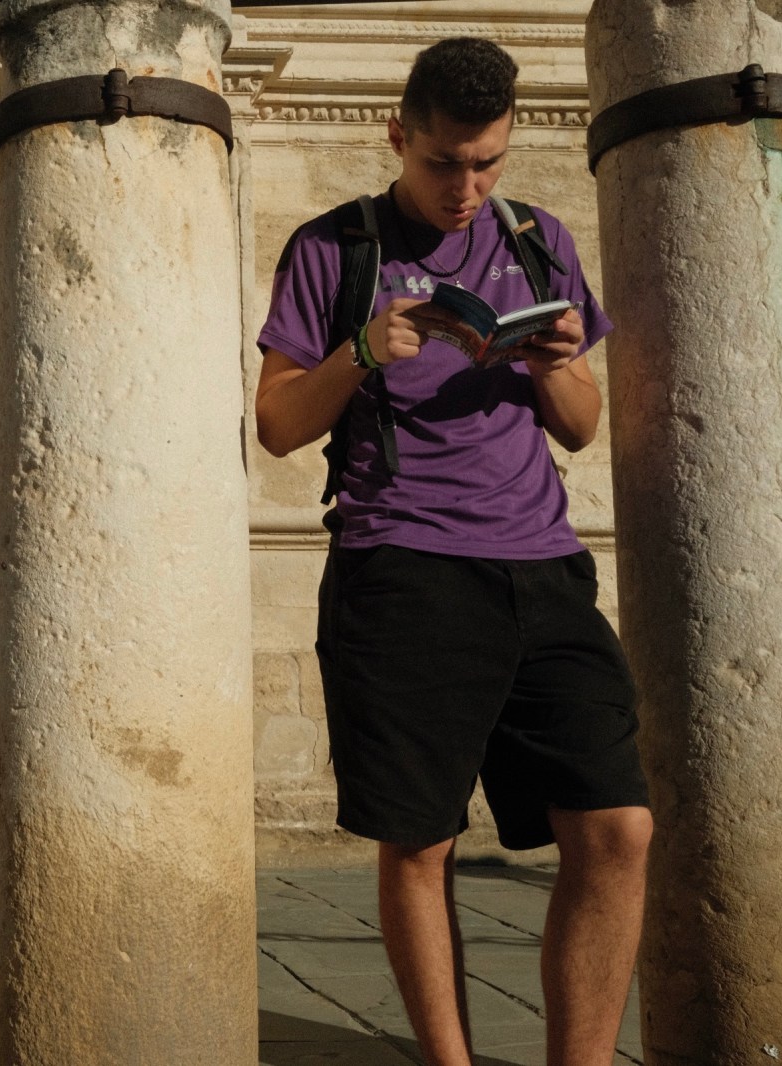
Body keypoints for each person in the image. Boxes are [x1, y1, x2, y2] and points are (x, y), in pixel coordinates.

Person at [253, 38, 652, 1066]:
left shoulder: (538, 240)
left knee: (618, 829)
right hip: (402, 569)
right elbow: (278, 425)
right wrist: (360, 351)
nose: (466, 188)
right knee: (422, 839)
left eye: (487, 163)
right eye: (443, 163)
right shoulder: (333, 249)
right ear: (398, 136)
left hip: (544, 565)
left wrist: (556, 364)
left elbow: (581, 427)